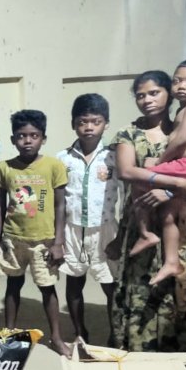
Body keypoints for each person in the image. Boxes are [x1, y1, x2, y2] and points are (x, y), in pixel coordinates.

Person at [107, 70, 186, 370]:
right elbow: (127, 171)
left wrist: (169, 191)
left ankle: (185, 369)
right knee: (140, 290)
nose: (147, 100)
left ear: (169, 93)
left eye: (154, 93)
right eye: (140, 95)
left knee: (184, 290)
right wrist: (176, 182)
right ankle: (139, 363)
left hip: (183, 227)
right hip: (142, 223)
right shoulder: (129, 134)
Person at [129, 59, 186, 286]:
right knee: (168, 214)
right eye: (177, 81)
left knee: (140, 178)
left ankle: (145, 232)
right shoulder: (182, 110)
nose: (182, 86)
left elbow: (182, 139)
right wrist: (170, 191)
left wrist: (159, 162)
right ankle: (171, 261)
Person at [0, 110, 69, 356]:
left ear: (43, 139)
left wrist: (58, 242)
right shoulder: (5, 168)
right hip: (13, 239)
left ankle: (56, 338)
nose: (27, 141)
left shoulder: (54, 166)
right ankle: (9, 332)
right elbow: (0, 206)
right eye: (21, 136)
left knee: (47, 288)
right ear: (13, 139)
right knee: (13, 285)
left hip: (44, 241)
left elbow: (60, 205)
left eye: (34, 136)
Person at [56, 94, 119, 343]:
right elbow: (58, 200)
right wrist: (57, 238)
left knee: (110, 285)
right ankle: (80, 332)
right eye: (83, 122)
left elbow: (127, 194)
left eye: (96, 121)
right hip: (73, 230)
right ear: (73, 124)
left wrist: (121, 236)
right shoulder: (62, 159)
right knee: (74, 284)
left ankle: (116, 334)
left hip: (105, 230)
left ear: (106, 123)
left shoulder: (114, 157)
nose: (89, 127)